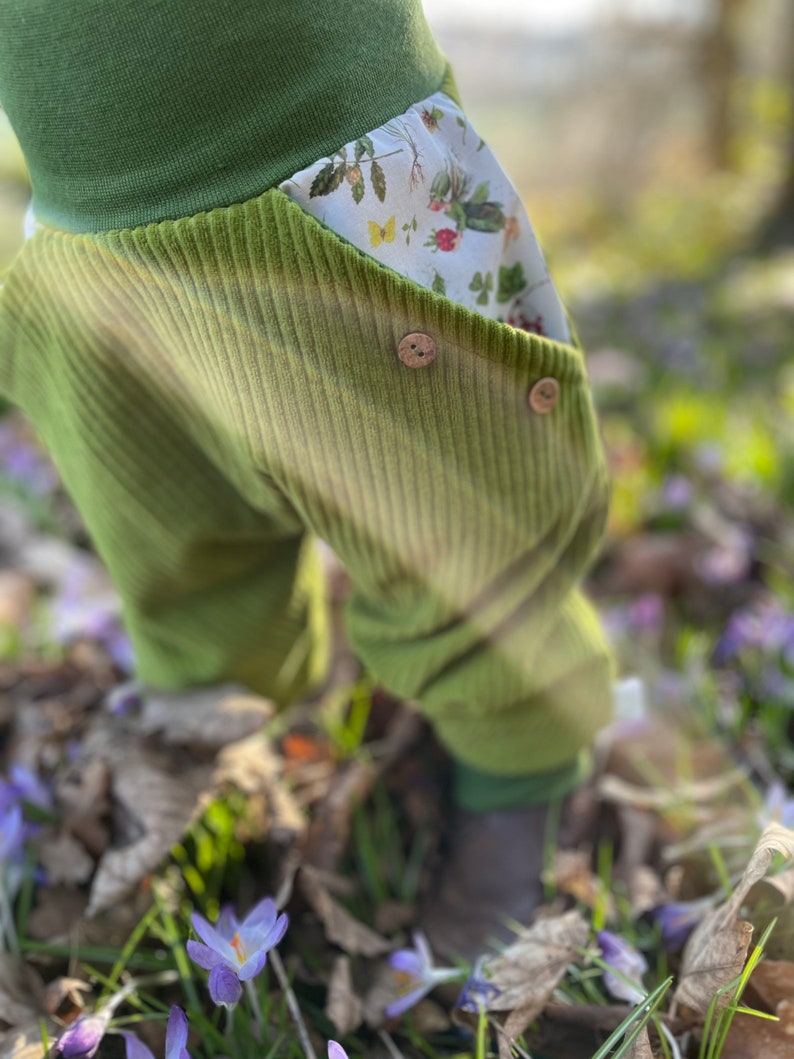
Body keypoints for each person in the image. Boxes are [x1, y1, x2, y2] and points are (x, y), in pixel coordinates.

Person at [0, 0, 613, 960]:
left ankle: (516, 781)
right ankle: (222, 754)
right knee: (176, 549)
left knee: (458, 522)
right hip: (85, 223)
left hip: (342, 171)